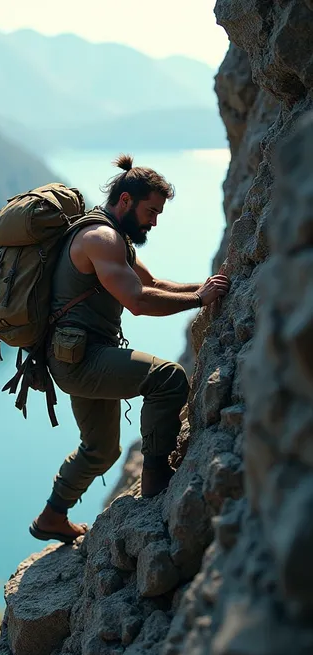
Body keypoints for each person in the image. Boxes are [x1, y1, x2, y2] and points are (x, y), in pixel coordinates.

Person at [29, 154, 231, 543]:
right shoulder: (100, 239)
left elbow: (152, 282)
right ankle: (156, 477)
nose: (154, 221)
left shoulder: (110, 235)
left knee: (101, 450)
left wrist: (205, 287)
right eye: (150, 211)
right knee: (168, 378)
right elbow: (138, 301)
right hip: (83, 360)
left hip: (73, 355)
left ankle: (51, 517)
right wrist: (200, 302)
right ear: (125, 201)